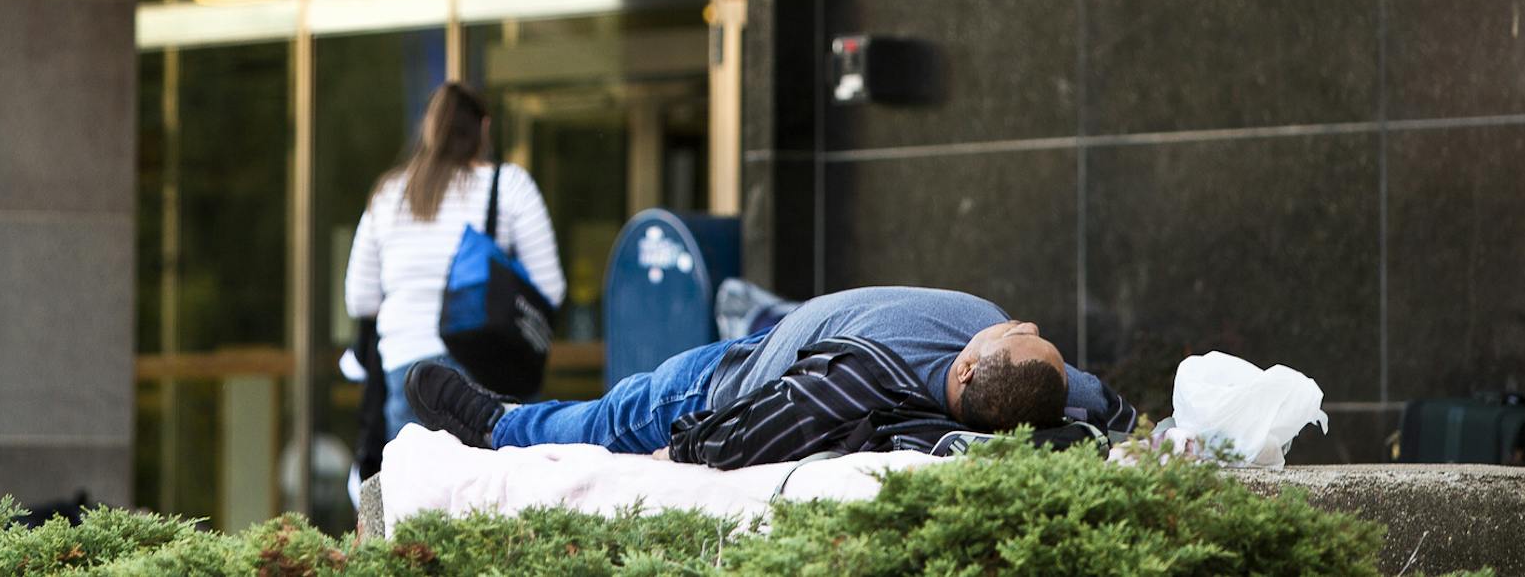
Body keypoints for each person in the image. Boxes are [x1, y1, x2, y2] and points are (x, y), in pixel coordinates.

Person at [408, 285, 1135, 468]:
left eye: (1019, 334)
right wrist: (1143, 431)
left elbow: (758, 428)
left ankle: (501, 425)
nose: (1029, 326)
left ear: (972, 366)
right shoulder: (1033, 383)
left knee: (612, 417)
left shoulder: (863, 377)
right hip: (792, 333)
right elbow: (1098, 403)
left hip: (726, 382)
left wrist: (686, 448)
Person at [345, 82, 565, 442]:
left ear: (428, 128)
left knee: (417, 493)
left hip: (406, 368)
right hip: (486, 367)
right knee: (490, 493)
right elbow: (551, 288)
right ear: (485, 128)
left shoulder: (388, 194)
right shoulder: (507, 185)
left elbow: (360, 299)